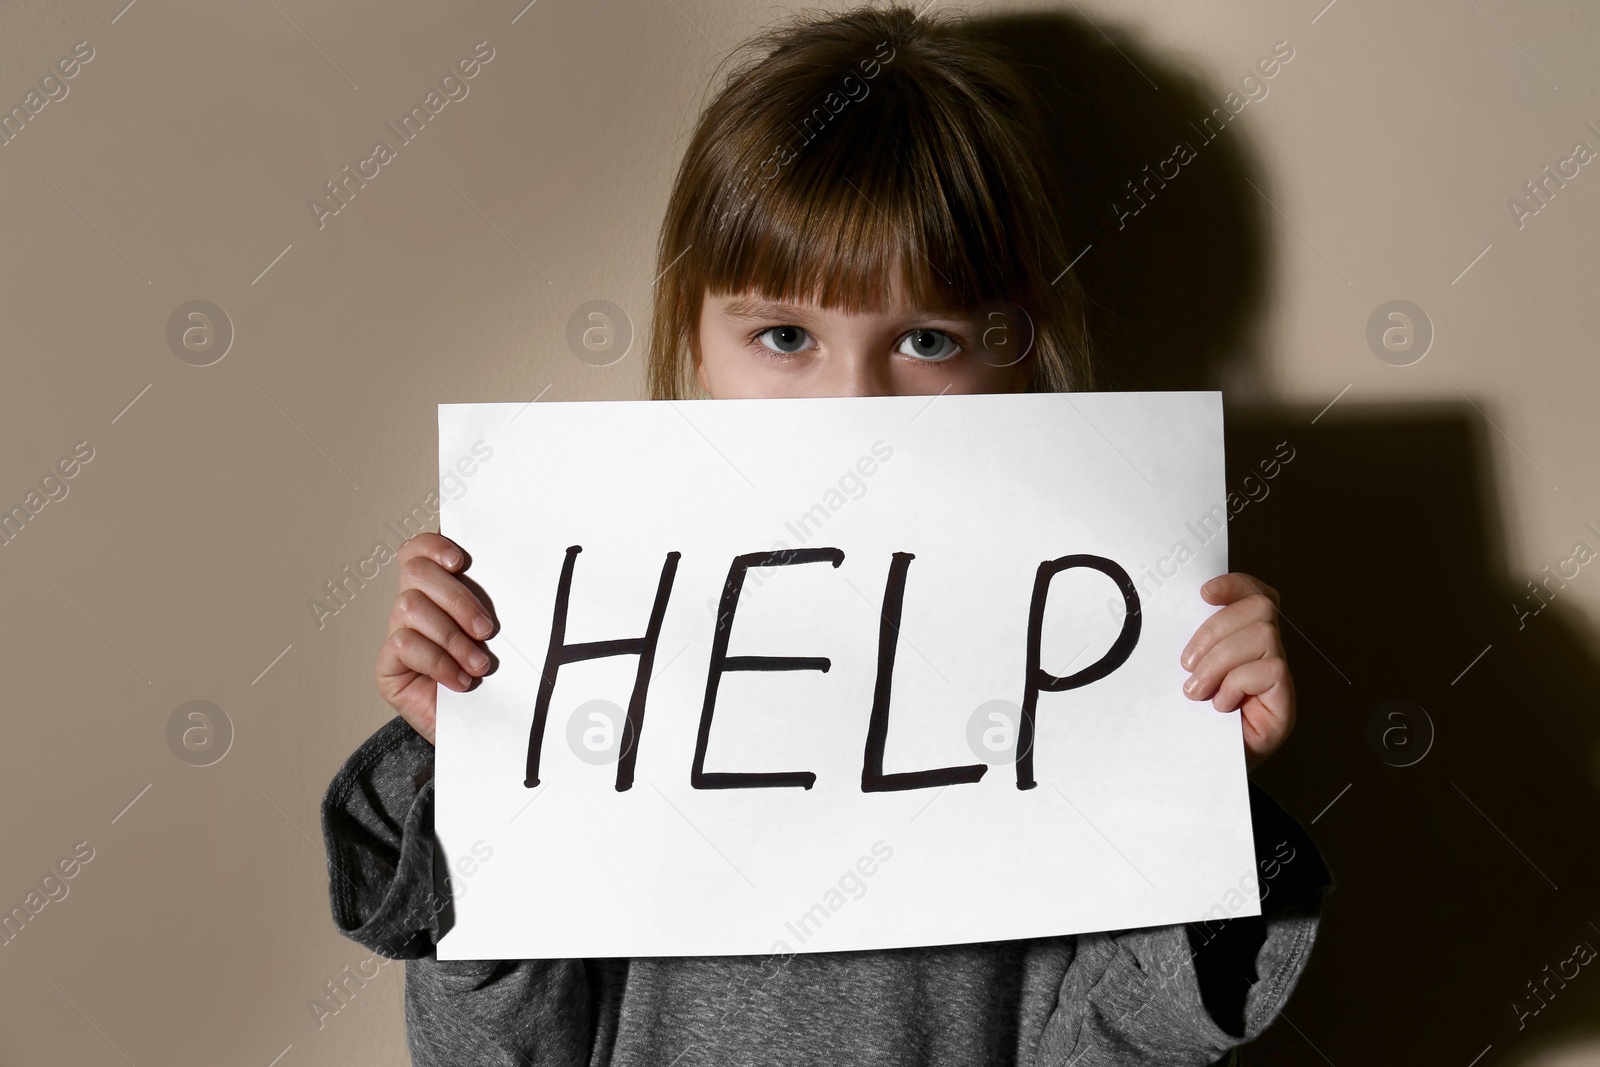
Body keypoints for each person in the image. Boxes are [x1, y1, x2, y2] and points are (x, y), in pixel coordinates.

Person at [320, 5, 1334, 1064]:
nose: (856, 401)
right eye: (785, 335)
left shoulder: (1081, 645)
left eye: (928, 338)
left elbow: (1114, 1048)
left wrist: (1194, 796)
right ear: (695, 342)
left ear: (1021, 354)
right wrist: (482, 772)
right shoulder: (599, 639)